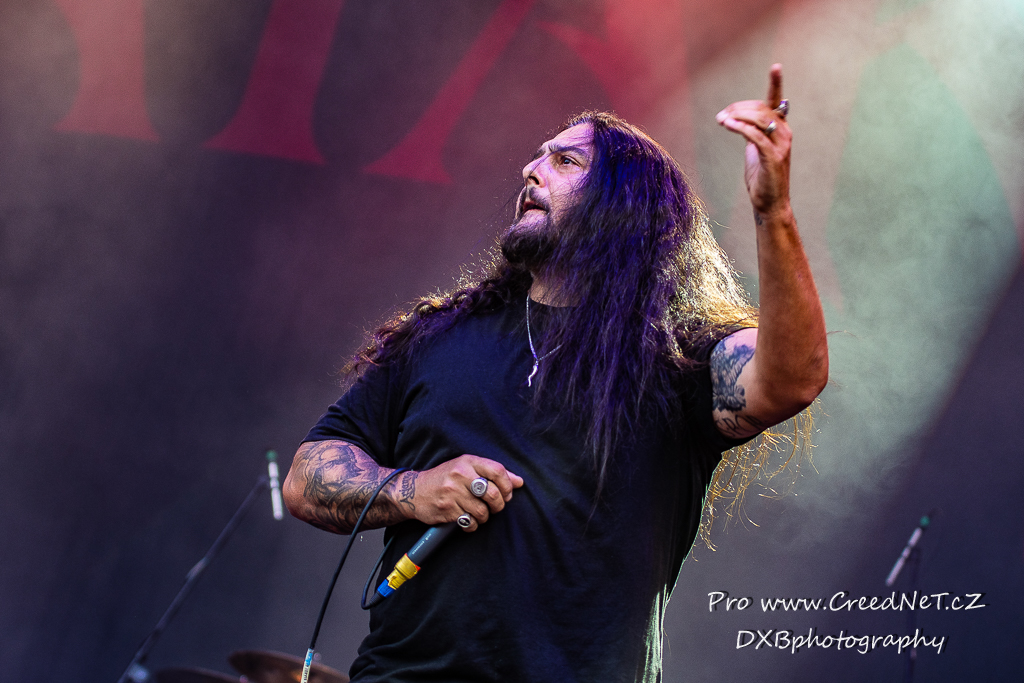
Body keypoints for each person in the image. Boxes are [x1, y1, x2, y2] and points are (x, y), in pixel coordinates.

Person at [283, 65, 828, 682]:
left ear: (623, 207)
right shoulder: (438, 338)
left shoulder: (678, 356)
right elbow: (305, 478)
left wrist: (773, 212)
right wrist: (414, 490)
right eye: (538, 156)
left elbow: (793, 380)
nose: (531, 169)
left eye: (565, 161)